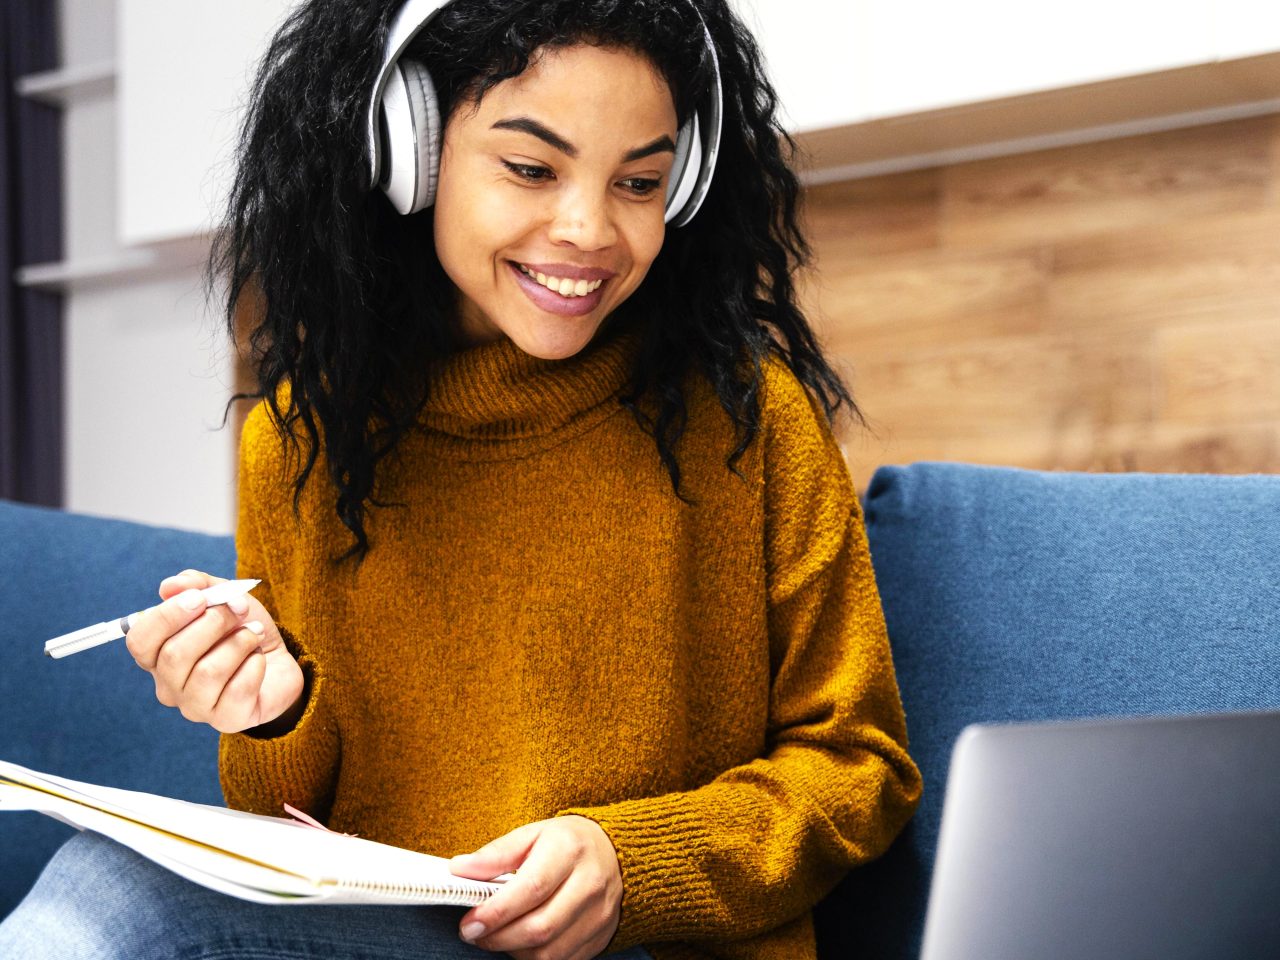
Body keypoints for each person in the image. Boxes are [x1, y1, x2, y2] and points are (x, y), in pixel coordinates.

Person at [0, 1, 921, 958]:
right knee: (110, 884)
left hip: (647, 947)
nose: (588, 228)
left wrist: (628, 863)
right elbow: (286, 824)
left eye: (640, 181)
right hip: (395, 938)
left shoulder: (745, 417)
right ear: (414, 156)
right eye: (531, 168)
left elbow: (859, 766)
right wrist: (272, 714)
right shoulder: (301, 445)